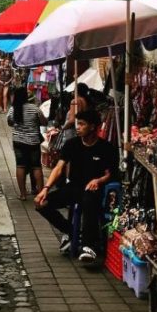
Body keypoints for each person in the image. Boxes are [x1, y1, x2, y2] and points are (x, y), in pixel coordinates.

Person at [34, 109, 118, 265]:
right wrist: (45, 189)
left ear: (92, 127)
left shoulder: (105, 148)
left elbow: (110, 174)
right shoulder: (71, 144)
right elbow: (59, 168)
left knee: (88, 202)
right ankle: (71, 231)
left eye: (82, 124)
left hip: (94, 190)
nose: (77, 127)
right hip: (74, 187)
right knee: (41, 203)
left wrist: (98, 181)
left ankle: (88, 246)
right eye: (77, 124)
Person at [8, 86, 47, 201]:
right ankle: (40, 194)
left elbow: (10, 122)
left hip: (19, 141)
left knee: (20, 166)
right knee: (36, 166)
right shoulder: (35, 108)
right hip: (33, 141)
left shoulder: (13, 109)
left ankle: (23, 194)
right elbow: (44, 121)